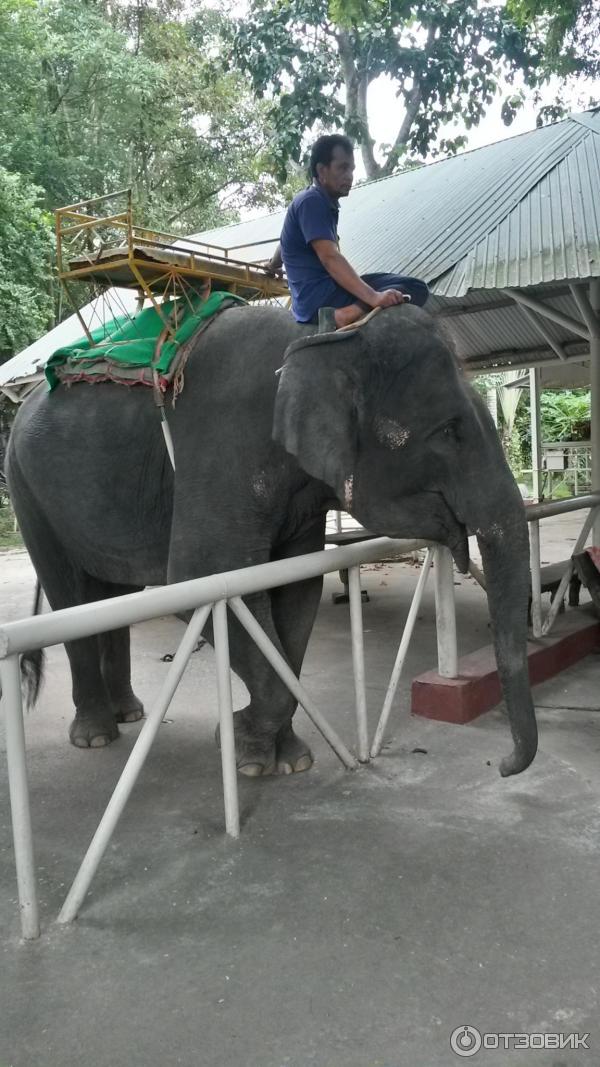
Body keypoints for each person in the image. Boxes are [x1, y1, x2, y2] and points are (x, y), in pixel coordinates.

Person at [266, 133, 429, 329]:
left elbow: (285, 241)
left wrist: (273, 264)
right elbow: (330, 257)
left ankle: (352, 309)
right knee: (413, 287)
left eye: (351, 169)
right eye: (342, 168)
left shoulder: (316, 201)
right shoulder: (313, 201)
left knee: (406, 288)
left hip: (315, 296)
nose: (349, 175)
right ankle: (345, 314)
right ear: (322, 170)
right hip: (320, 297)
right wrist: (374, 297)